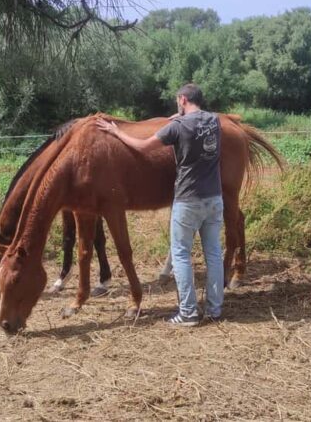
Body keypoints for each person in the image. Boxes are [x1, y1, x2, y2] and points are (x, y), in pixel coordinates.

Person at [95, 83, 224, 327]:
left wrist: (116, 132)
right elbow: (194, 120)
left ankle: (188, 313)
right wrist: (177, 117)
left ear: (183, 99)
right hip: (215, 198)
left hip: (188, 199)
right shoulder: (214, 121)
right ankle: (215, 309)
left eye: (178, 101)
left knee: (181, 255)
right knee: (214, 254)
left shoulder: (177, 127)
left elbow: (142, 146)